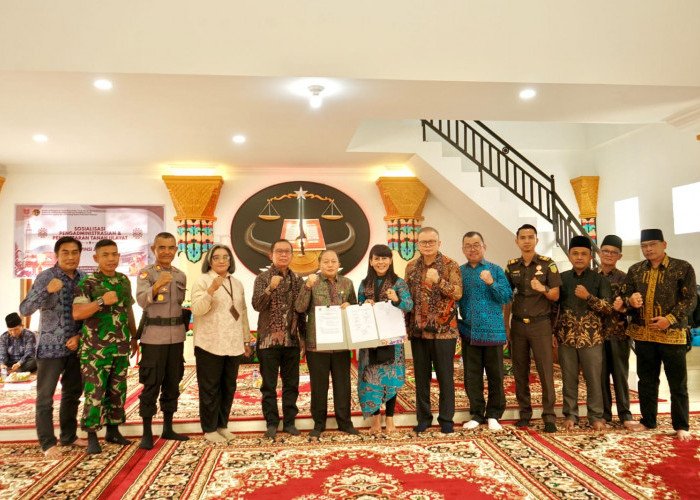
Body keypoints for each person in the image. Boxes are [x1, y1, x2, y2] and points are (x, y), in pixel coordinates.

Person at [616, 229, 696, 441]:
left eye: (652, 244)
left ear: (664, 244)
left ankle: (681, 425)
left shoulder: (682, 268)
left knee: (677, 383)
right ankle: (648, 421)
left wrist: (669, 319)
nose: (648, 249)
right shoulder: (635, 270)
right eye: (644, 246)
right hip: (644, 335)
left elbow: (690, 300)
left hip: (672, 335)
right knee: (646, 381)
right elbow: (624, 296)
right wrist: (630, 301)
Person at [19, 236, 87, 457]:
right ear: (57, 255)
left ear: (80, 254)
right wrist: (46, 291)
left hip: (76, 347)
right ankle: (48, 443)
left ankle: (69, 436)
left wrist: (79, 336)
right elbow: (25, 309)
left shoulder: (85, 279)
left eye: (75, 252)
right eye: (65, 252)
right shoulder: (45, 277)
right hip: (49, 349)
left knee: (72, 394)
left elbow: (89, 314)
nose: (70, 257)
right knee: (45, 397)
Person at [73, 239, 138, 454]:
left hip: (120, 346)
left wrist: (134, 336)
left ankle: (113, 430)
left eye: (114, 254)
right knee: (95, 393)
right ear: (96, 258)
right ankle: (92, 435)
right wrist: (101, 301)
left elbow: (128, 310)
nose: (111, 259)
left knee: (117, 391)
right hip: (95, 350)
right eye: (105, 255)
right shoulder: (88, 283)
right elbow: (77, 313)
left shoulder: (123, 280)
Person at [191, 244, 252, 443]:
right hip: (209, 342)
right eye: (216, 257)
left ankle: (222, 426)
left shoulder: (237, 283)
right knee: (210, 389)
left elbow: (242, 312)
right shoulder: (202, 281)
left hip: (233, 343)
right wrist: (210, 290)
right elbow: (197, 309)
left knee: (228, 387)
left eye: (225, 257)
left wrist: (246, 339)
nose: (221, 261)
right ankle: (209, 429)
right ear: (210, 261)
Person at [295, 249, 359, 439]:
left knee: (343, 385)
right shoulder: (311, 282)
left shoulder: (347, 283)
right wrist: (307, 286)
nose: (330, 265)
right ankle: (319, 424)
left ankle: (345, 423)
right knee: (319, 386)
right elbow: (299, 308)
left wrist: (350, 306)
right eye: (326, 261)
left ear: (339, 264)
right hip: (317, 344)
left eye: (333, 261)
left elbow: (355, 308)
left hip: (341, 343)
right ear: (319, 264)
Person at [405, 227, 462, 434]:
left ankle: (446, 419)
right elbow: (407, 297)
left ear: (439, 243)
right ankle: (424, 418)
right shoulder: (411, 266)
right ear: (418, 245)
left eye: (431, 241)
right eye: (424, 242)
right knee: (421, 378)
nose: (427, 245)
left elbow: (458, 293)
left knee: (445, 377)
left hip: (444, 332)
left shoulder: (450, 265)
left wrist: (439, 281)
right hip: (419, 331)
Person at [504, 224, 561, 433]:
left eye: (530, 237)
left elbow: (555, 295)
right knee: (520, 370)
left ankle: (549, 417)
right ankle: (525, 414)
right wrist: (506, 325)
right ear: (517, 241)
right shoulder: (511, 266)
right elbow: (507, 298)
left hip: (541, 325)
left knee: (545, 371)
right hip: (518, 325)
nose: (526, 241)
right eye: (523, 237)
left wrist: (543, 288)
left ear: (536, 240)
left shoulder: (548, 264)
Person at [135, 232, 189, 449]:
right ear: (153, 249)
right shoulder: (146, 274)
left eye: (171, 247)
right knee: (151, 384)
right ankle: (147, 433)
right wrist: (157, 285)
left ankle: (168, 427)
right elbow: (141, 301)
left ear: (176, 249)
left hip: (176, 337)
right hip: (153, 338)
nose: (167, 252)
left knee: (173, 382)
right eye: (162, 247)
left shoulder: (180, 275)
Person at [555, 235, 611, 431]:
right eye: (575, 253)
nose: (579, 257)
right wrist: (553, 333)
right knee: (568, 378)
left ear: (590, 257)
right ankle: (570, 415)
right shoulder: (562, 279)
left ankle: (595, 416)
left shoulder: (599, 279)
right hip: (566, 337)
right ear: (569, 256)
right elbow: (554, 308)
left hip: (592, 338)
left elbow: (608, 308)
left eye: (584, 254)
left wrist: (588, 297)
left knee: (594, 379)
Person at [457, 232, 512, 431]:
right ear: (463, 249)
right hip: (469, 332)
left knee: (496, 376)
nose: (472, 249)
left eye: (476, 245)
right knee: (472, 377)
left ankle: (494, 415)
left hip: (493, 332)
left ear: (484, 247)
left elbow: (506, 296)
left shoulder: (495, 270)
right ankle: (477, 414)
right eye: (468, 245)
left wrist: (491, 282)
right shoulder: (459, 272)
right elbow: (455, 298)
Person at [357, 244, 413, 434]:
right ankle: (375, 421)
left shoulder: (399, 283)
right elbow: (358, 307)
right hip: (369, 340)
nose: (381, 262)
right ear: (371, 261)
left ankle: (389, 420)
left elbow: (408, 305)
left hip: (392, 339)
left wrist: (396, 299)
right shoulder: (364, 284)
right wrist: (364, 303)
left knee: (390, 379)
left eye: (384, 258)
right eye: (377, 258)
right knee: (370, 379)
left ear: (390, 260)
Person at [252, 239, 305, 439]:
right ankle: (272, 423)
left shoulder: (298, 280)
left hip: (291, 341)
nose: (283, 255)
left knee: (291, 384)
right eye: (279, 251)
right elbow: (257, 305)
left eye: (287, 251)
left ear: (291, 255)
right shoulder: (262, 278)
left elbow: (301, 311)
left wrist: (303, 337)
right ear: (271, 255)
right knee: (269, 385)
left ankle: (290, 422)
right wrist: (270, 288)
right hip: (268, 342)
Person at [597, 234, 634, 428]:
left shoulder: (625, 278)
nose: (609, 255)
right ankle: (604, 413)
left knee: (620, 375)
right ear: (599, 252)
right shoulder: (592, 276)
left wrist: (624, 306)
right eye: (605, 251)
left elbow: (633, 305)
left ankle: (625, 414)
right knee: (600, 376)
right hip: (596, 335)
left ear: (619, 256)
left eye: (613, 252)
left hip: (619, 334)